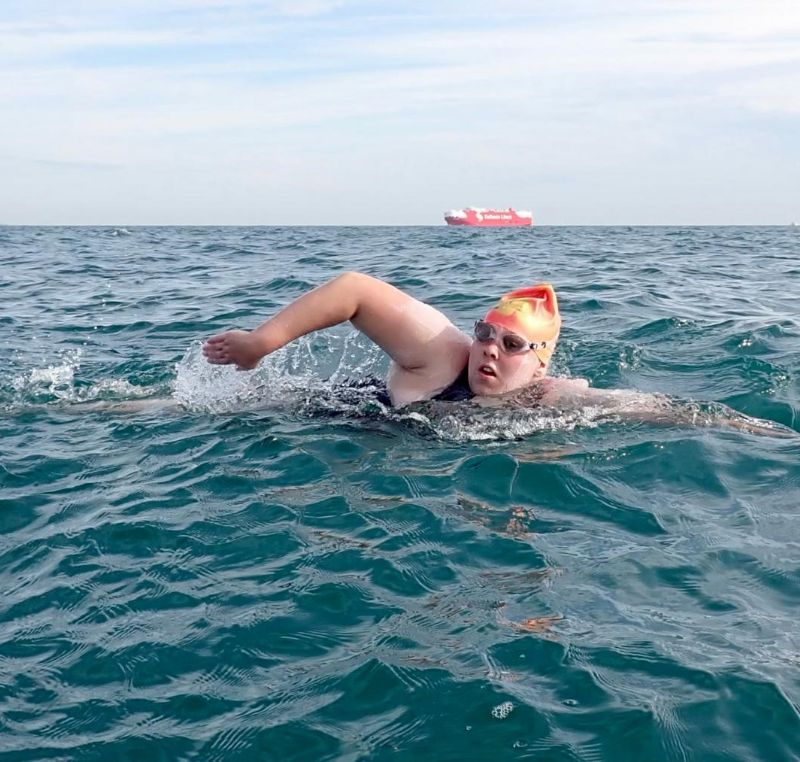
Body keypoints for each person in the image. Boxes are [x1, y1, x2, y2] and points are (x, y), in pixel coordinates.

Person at [202, 271, 568, 407]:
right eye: (484, 333)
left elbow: (620, 408)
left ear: (539, 369)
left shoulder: (546, 398)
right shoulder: (443, 352)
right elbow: (354, 289)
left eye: (511, 344)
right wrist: (259, 344)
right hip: (323, 417)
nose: (489, 347)